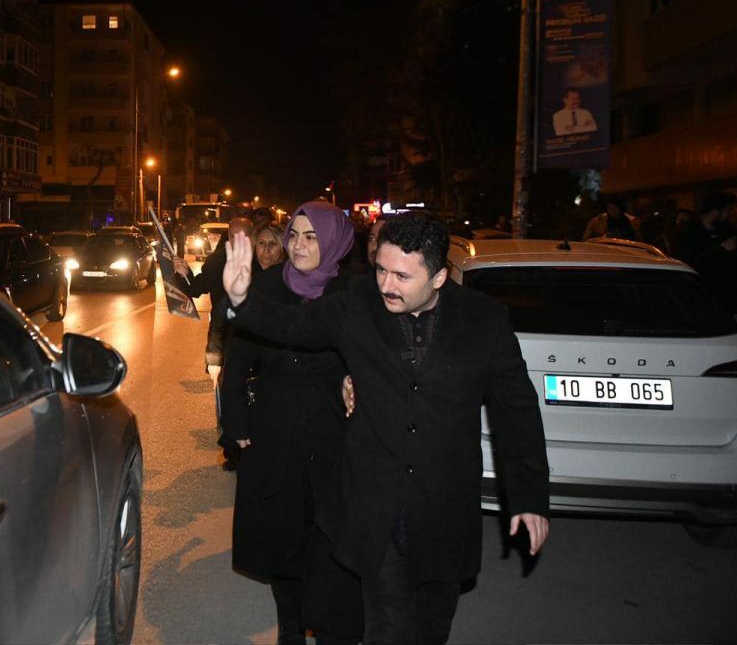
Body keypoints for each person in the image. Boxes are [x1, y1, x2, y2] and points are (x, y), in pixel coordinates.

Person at [222, 212, 550, 645]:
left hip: (444, 511)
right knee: (387, 626)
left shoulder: (484, 321)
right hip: (376, 510)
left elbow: (516, 411)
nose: (386, 285)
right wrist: (242, 299)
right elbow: (293, 326)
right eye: (381, 270)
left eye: (402, 276)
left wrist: (529, 497)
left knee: (431, 627)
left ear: (438, 277)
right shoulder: (358, 305)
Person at [221, 202, 359, 645]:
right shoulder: (264, 287)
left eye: (311, 236)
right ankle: (291, 627)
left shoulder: (353, 294)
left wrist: (354, 381)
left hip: (333, 435)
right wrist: (236, 422)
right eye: (294, 235)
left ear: (334, 242)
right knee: (281, 538)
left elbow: (371, 356)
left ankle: (325, 622)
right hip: (275, 429)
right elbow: (237, 362)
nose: (298, 245)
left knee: (328, 538)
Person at [174, 216, 254, 468]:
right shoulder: (218, 261)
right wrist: (183, 274)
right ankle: (233, 450)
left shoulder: (264, 262)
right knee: (228, 392)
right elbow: (196, 288)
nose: (238, 242)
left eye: (244, 237)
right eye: (233, 236)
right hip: (226, 337)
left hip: (259, 339)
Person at [672, 191, 736, 265]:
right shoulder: (689, 232)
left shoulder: (727, 229)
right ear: (715, 212)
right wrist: (721, 248)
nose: (730, 214)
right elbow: (688, 261)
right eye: (728, 210)